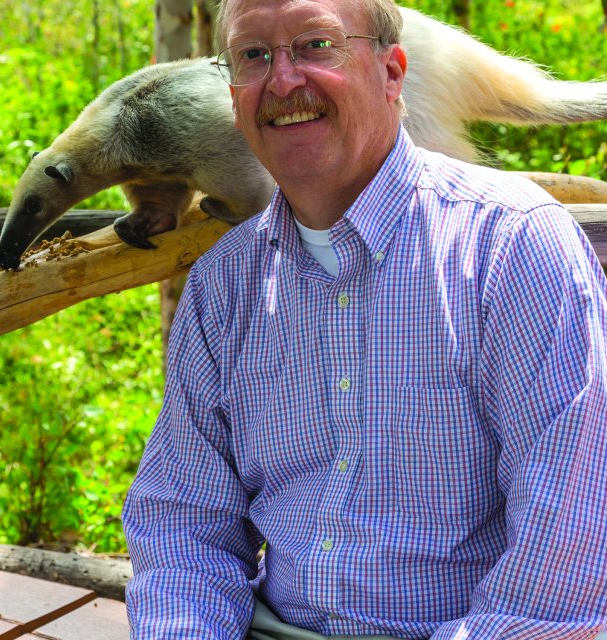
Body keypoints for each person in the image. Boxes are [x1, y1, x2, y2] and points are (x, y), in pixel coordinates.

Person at [122, 0, 607, 638]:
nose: (283, 80)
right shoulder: (226, 284)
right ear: (232, 93)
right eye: (254, 55)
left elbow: (567, 551)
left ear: (392, 73)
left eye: (316, 46)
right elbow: (182, 524)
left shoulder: (510, 246)